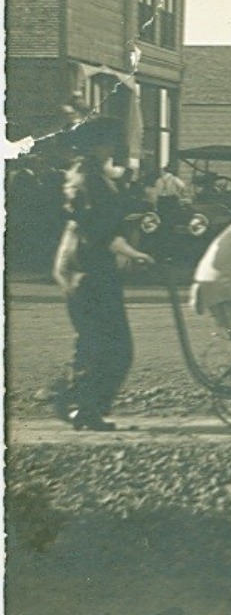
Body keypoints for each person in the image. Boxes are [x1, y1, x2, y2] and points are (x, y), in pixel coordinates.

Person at [48, 118, 155, 431]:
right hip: (87, 268)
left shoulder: (92, 174)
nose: (113, 146)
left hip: (86, 266)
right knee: (115, 346)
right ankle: (83, 406)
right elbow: (99, 229)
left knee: (96, 341)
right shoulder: (89, 179)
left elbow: (102, 221)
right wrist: (134, 253)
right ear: (95, 145)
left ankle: (75, 399)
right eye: (107, 141)